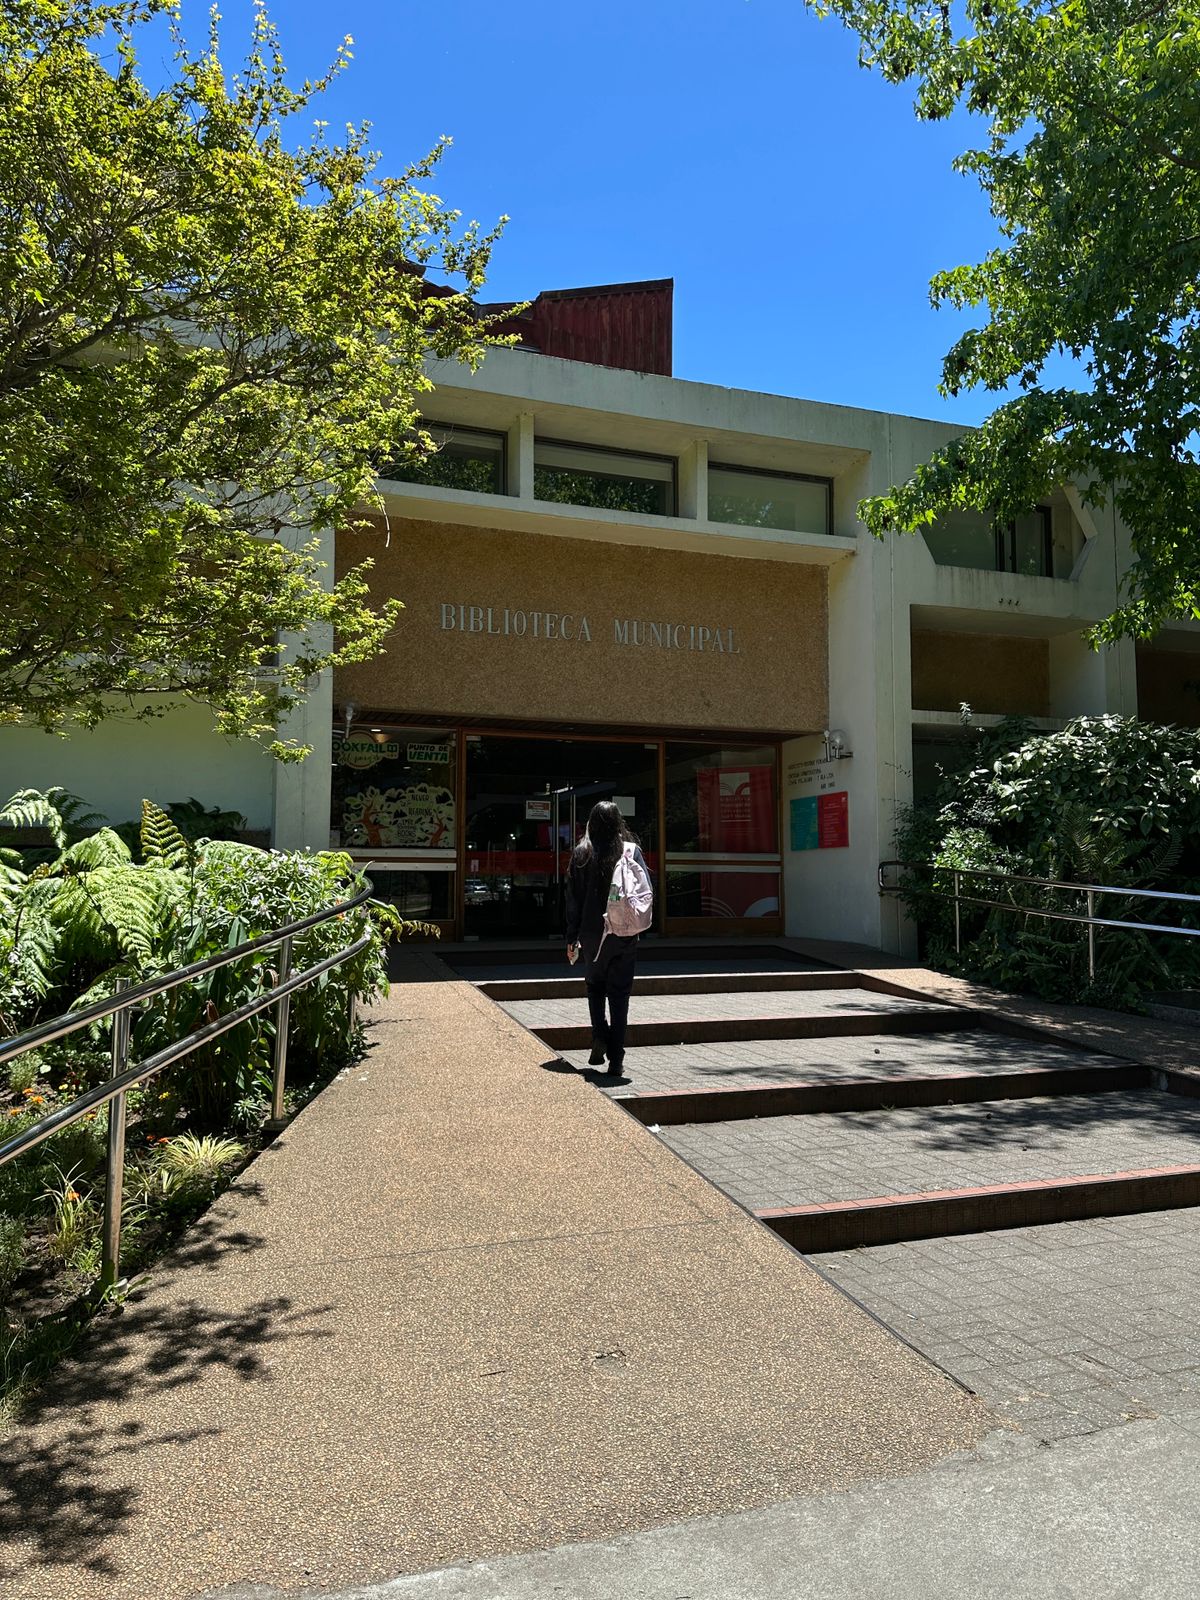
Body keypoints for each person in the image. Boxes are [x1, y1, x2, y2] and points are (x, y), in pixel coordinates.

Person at [564, 800, 651, 1078]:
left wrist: (571, 936)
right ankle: (616, 1059)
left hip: (592, 935)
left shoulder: (581, 853)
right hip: (624, 932)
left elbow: (573, 900)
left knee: (595, 987)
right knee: (620, 994)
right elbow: (645, 892)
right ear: (618, 823)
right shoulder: (630, 851)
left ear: (591, 823)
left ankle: (599, 1035)